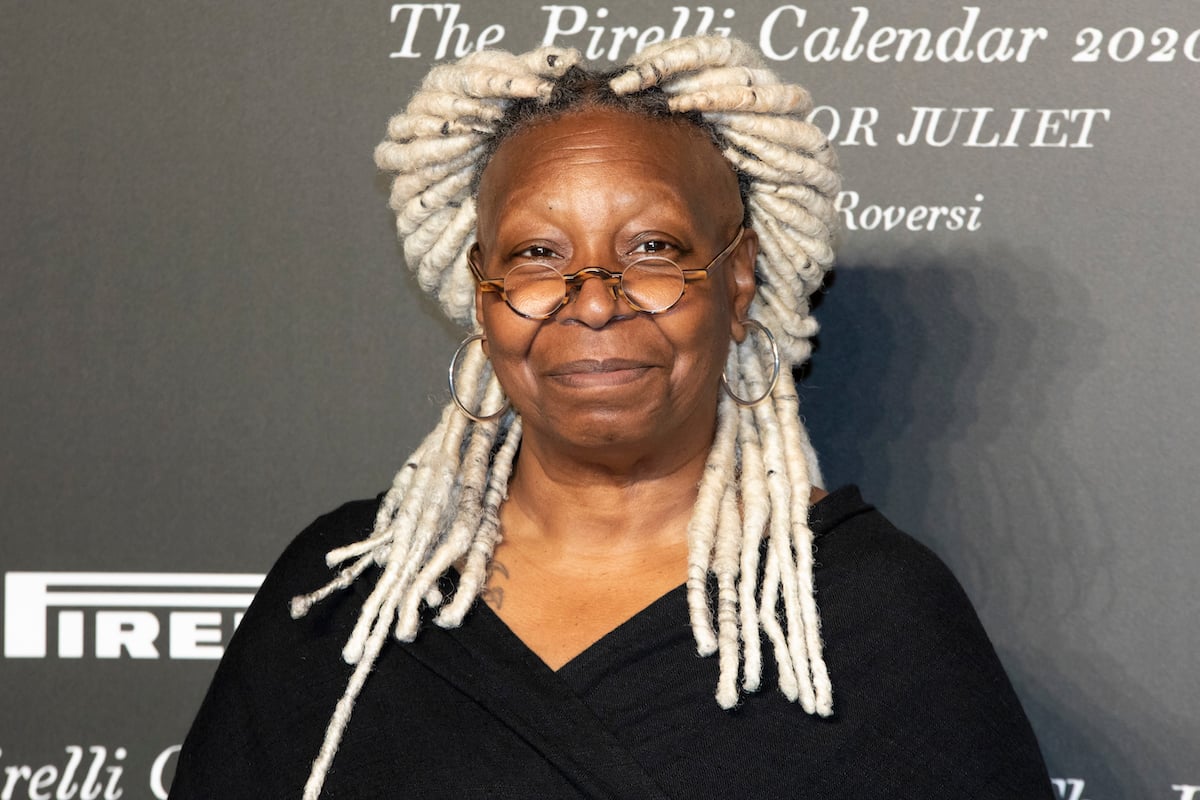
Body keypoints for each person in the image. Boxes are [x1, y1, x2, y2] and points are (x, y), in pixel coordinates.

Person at [170, 36, 1052, 799]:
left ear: (738, 284)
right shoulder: (346, 591)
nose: (593, 303)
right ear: (483, 294)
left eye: (653, 250)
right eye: (537, 254)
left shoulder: (872, 617)